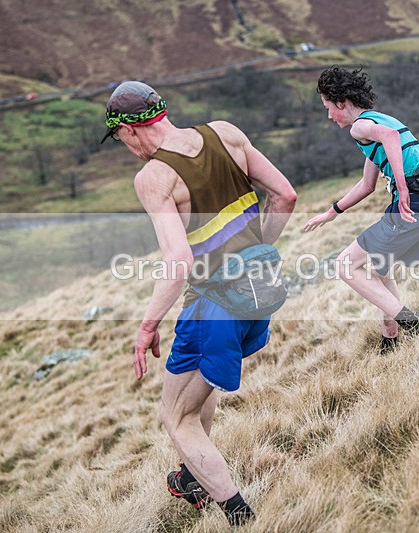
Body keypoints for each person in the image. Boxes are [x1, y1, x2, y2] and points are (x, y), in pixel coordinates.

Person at [101, 81, 296, 525]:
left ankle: (239, 513)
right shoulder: (225, 133)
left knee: (176, 417)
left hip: (215, 305)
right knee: (195, 391)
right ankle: (193, 478)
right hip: (260, 293)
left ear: (130, 130)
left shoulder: (153, 177)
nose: (124, 147)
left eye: (119, 138)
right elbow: (285, 195)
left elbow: (178, 261)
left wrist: (147, 326)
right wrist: (254, 253)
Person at [303, 66, 419, 353]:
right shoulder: (376, 122)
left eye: (328, 107)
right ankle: (390, 339)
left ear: (341, 102)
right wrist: (331, 212)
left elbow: (391, 137)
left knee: (345, 265)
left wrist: (402, 188)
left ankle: (414, 323)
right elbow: (367, 184)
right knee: (380, 268)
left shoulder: (361, 127)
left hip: (413, 202)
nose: (329, 115)